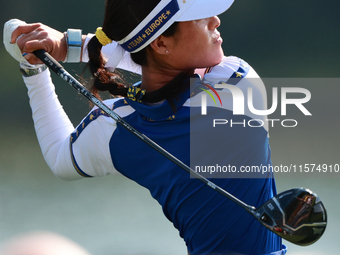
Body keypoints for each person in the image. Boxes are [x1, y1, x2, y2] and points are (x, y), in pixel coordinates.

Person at [5, 0, 287, 254]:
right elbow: (159, 64)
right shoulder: (237, 83)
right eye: (200, 17)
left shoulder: (115, 127)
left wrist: (35, 70)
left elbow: (60, 157)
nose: (216, 20)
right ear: (162, 43)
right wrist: (69, 45)